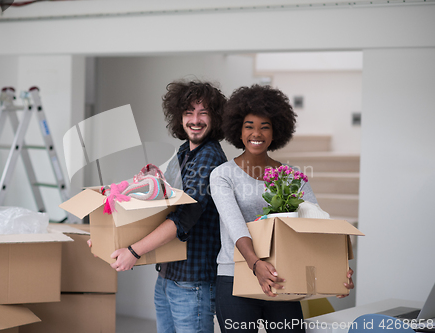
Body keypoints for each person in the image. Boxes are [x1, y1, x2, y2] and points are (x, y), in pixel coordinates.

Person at [209, 84, 354, 333]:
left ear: (276, 131)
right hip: (235, 277)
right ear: (238, 130)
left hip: (282, 277)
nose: (257, 133)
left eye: (265, 126)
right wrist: (256, 264)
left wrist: (336, 268)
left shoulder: (291, 175)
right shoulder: (223, 175)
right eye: (249, 126)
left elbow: (315, 223)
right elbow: (235, 226)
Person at [109, 80, 227, 333]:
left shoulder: (209, 156)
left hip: (191, 279)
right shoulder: (184, 152)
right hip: (168, 273)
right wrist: (110, 239)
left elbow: (184, 216)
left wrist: (134, 250)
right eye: (188, 113)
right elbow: (160, 210)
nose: (195, 120)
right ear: (179, 117)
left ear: (216, 118)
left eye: (203, 112)